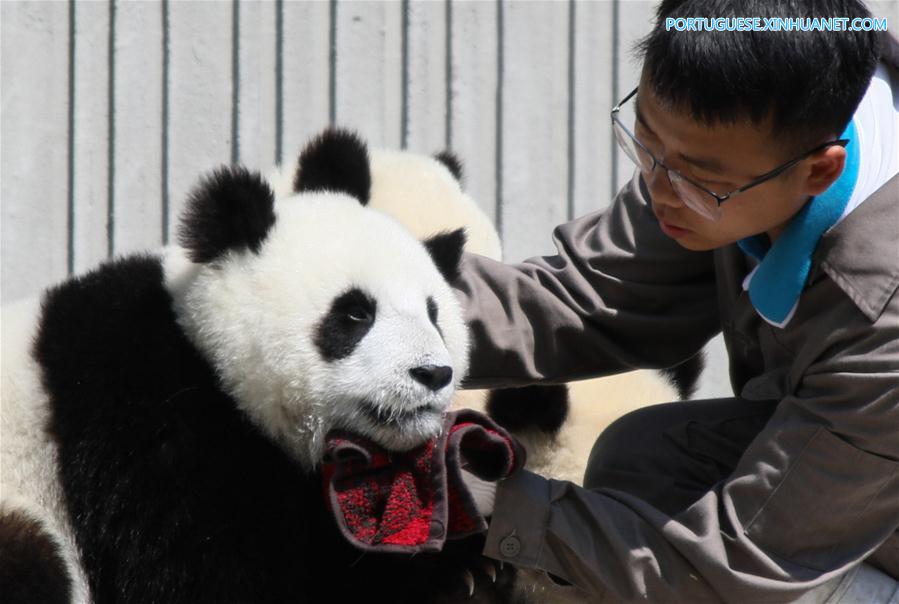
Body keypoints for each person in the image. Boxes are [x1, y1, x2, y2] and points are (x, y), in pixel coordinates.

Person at [453, 1, 899, 601]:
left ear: (820, 170)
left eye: (696, 176)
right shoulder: (780, 118)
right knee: (647, 465)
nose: (659, 192)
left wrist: (482, 503)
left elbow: (740, 565)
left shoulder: (882, 314)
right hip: (867, 455)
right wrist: (392, 314)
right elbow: (585, 296)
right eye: (647, 141)